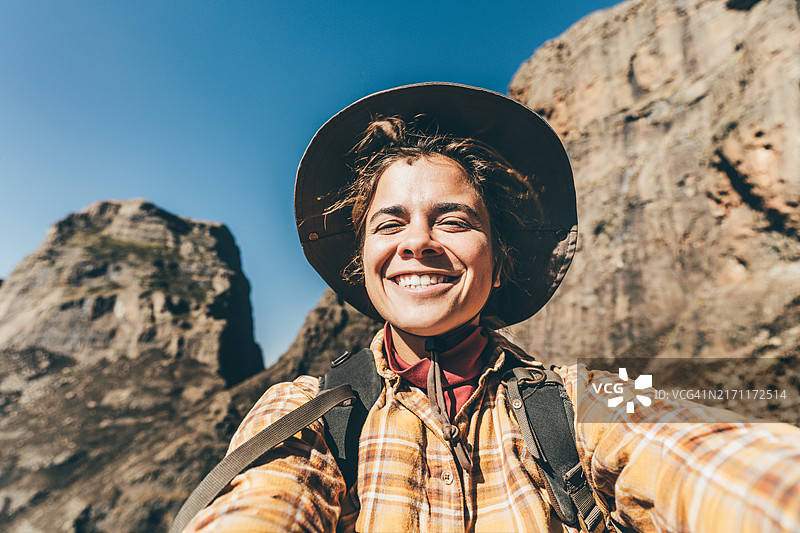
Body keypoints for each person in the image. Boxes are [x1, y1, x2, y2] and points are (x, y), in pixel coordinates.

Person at [182, 83, 800, 532]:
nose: (417, 242)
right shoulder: (304, 413)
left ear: (499, 259)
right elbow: (261, 504)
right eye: (388, 223)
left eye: (452, 220)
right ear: (364, 261)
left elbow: (701, 456)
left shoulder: (581, 401)